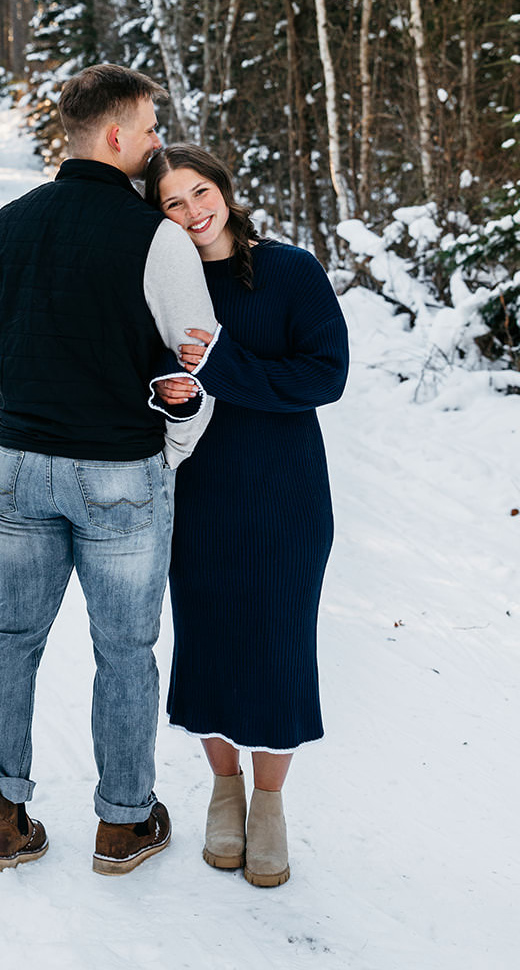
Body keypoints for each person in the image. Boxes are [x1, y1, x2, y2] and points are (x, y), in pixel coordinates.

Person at [0, 65, 220, 875]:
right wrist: (168, 450)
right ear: (115, 135)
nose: (154, 142)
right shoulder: (158, 237)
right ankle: (122, 824)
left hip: (20, 466)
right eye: (147, 127)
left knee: (10, 637)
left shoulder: (3, 225)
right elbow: (196, 355)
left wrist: (17, 428)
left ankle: (1, 820)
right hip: (118, 470)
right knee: (124, 650)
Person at [144, 143, 349, 888]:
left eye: (201, 192)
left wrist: (223, 364)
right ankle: (222, 792)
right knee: (209, 646)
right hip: (197, 492)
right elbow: (149, 372)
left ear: (224, 191)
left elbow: (325, 375)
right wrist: (169, 390)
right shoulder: (163, 285)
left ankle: (268, 807)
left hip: (286, 495)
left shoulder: (290, 270)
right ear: (158, 215)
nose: (193, 211)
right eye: (172, 202)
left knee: (276, 652)